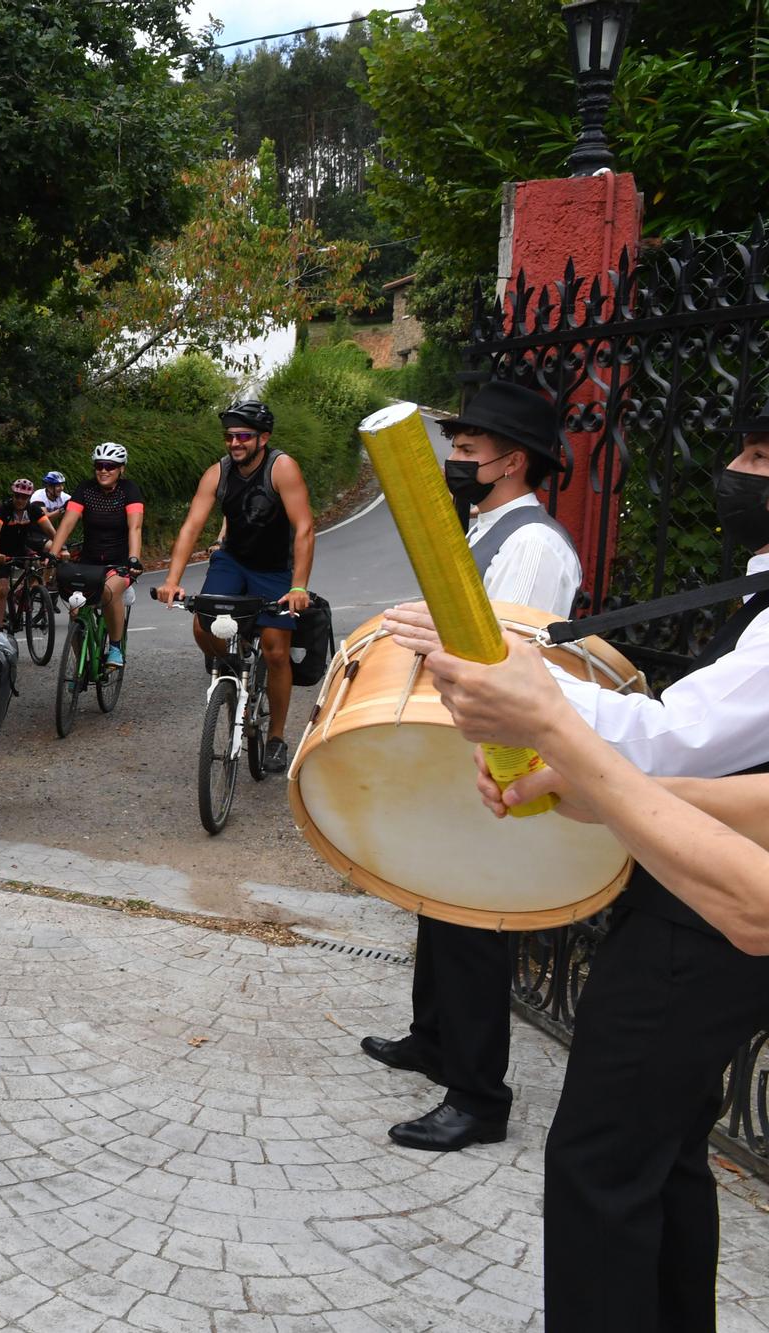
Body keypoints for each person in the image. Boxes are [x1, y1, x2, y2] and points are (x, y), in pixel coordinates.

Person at [388, 416, 769, 1331]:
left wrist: (549, 719)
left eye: (760, 457)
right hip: (690, 868)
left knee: (604, 1157)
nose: (736, 471)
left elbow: (750, 884)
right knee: (663, 1149)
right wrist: (601, 793)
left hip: (706, 913)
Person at [359, 381, 583, 1153]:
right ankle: (434, 1038)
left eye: (465, 448)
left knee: (474, 918)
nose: (452, 458)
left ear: (512, 461)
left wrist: (429, 642)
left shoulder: (532, 546)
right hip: (457, 741)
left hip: (496, 752)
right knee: (437, 897)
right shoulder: (485, 529)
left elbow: (506, 662)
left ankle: (479, 1095)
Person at [153, 400, 316, 773]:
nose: (234, 442)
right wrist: (172, 581)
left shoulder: (282, 468)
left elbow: (304, 528)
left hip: (274, 569)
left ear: (264, 438)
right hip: (233, 561)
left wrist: (299, 586)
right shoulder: (219, 473)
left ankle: (275, 737)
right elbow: (192, 526)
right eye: (229, 436)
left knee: (276, 652)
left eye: (243, 436)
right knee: (202, 622)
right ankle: (233, 659)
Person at [46, 442, 145, 668]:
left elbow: (135, 528)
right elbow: (68, 523)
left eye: (110, 466)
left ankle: (116, 647)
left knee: (109, 592)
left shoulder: (129, 490)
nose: (103, 470)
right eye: (99, 465)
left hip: (120, 561)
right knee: (75, 606)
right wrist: (53, 553)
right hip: (89, 560)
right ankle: (82, 665)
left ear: (121, 469)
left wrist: (134, 558)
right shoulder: (85, 489)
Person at [0, 478, 52, 616]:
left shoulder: (33, 510)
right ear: (13, 495)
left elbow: (49, 530)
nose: (20, 500)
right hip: (2, 552)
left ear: (29, 498)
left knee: (37, 566)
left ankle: (21, 594)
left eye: (24, 497)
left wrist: (62, 548)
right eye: (17, 496)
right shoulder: (4, 509)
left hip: (21, 549)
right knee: (2, 589)